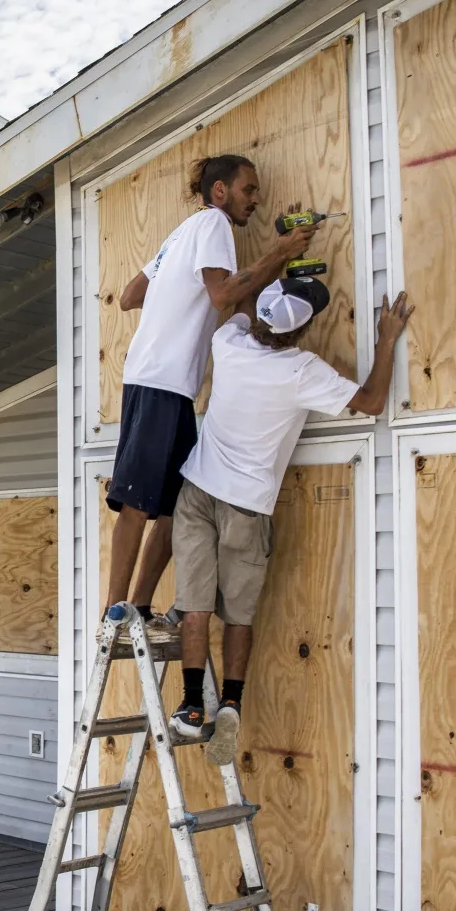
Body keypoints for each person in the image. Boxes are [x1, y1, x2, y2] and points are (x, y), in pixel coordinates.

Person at [167, 278, 414, 764]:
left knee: (193, 607)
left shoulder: (228, 342)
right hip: (246, 505)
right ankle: (232, 701)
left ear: (260, 318)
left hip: (197, 490)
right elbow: (371, 402)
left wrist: (279, 259)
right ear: (302, 332)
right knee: (238, 613)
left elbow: (235, 305)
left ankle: (192, 706)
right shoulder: (302, 370)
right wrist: (386, 339)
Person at [105, 155, 317, 628]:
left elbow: (129, 296)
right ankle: (114, 611)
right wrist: (280, 253)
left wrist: (172, 289)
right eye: (249, 190)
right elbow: (222, 295)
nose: (256, 200)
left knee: (172, 507)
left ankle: (137, 607)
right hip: (160, 377)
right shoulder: (214, 224)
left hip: (168, 382)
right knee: (139, 502)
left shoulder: (182, 233)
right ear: (219, 191)